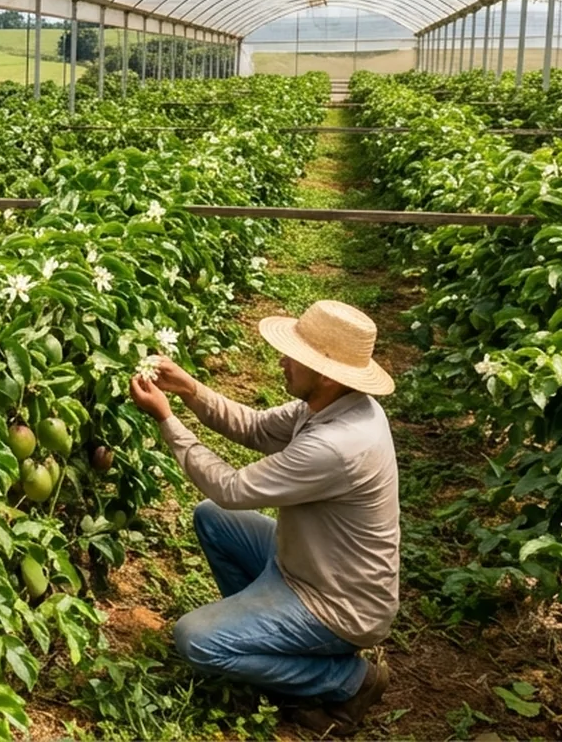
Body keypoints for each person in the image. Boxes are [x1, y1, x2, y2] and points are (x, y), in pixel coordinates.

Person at [127, 300, 400, 734]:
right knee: (212, 519)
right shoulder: (336, 405)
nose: (283, 361)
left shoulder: (337, 445)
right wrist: (190, 389)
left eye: (295, 357)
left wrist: (166, 419)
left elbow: (233, 489)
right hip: (304, 566)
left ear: (326, 374)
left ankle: (348, 680)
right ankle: (276, 650)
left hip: (338, 605)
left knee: (197, 641)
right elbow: (255, 428)